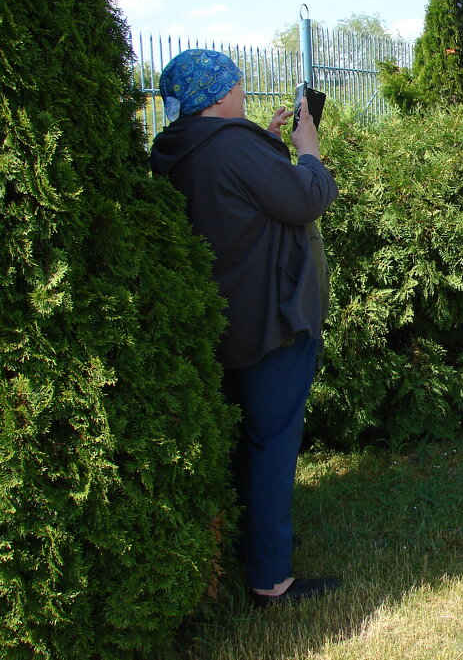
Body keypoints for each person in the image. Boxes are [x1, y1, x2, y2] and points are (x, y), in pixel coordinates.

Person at [150, 49, 339, 607]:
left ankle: (252, 546)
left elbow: (235, 196)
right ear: (218, 94)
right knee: (271, 448)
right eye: (235, 84)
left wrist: (265, 144)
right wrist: (308, 152)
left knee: (244, 445)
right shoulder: (234, 144)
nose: (242, 91)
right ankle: (272, 579)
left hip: (222, 319)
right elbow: (308, 198)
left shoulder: (177, 147)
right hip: (270, 322)